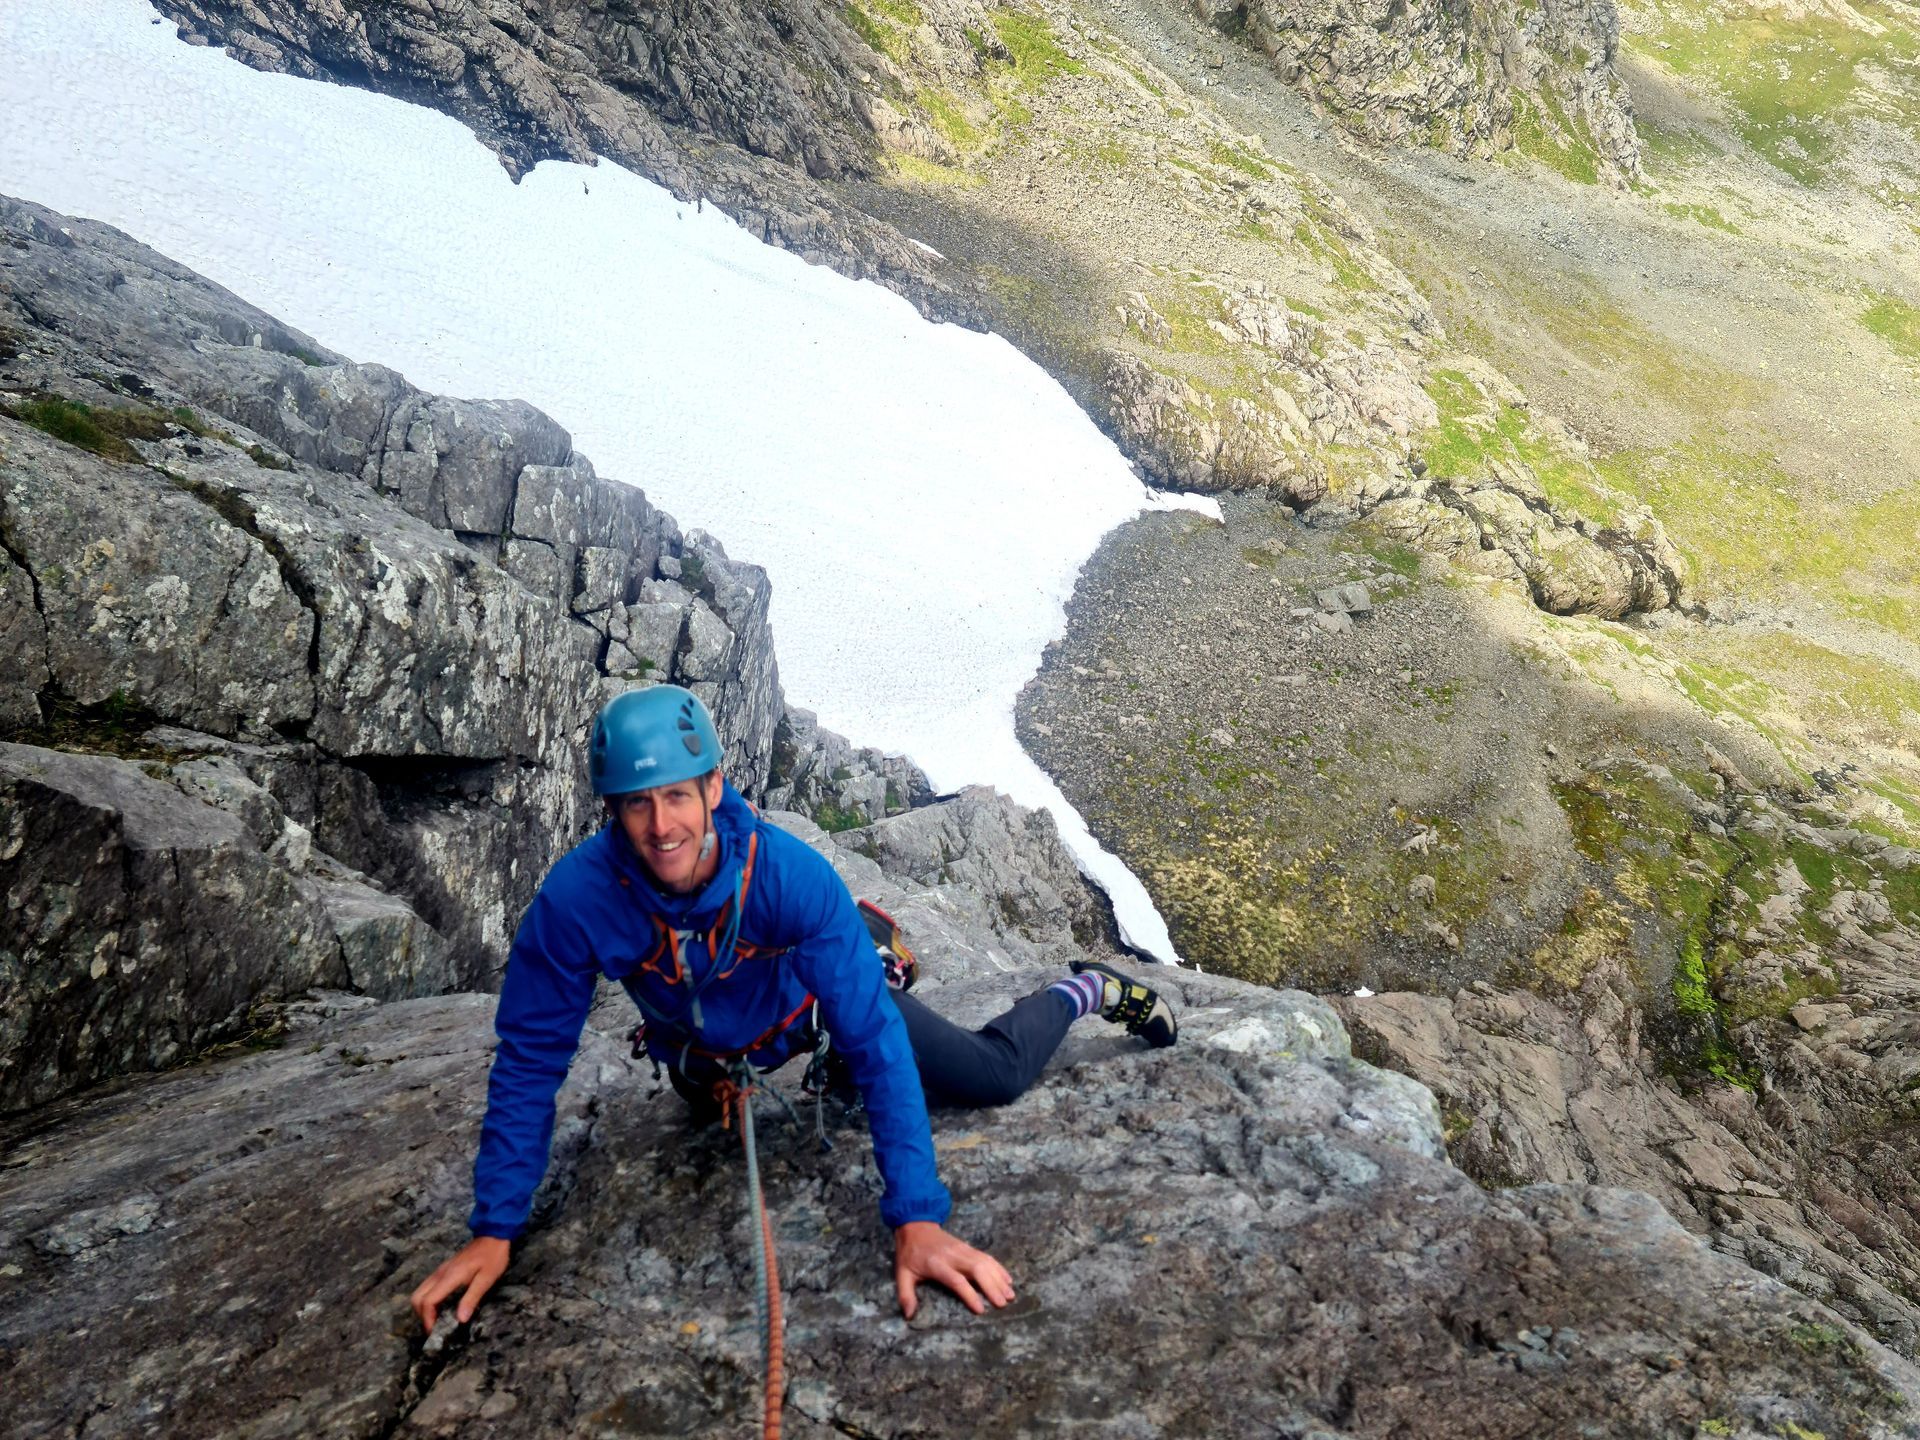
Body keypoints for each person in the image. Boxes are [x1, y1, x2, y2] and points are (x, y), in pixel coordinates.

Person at [410, 685, 1177, 1332]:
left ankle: (1087, 988)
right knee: (703, 1096)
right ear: (613, 810)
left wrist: (917, 1217)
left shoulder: (787, 879)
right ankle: (748, 1063)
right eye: (637, 805)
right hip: (703, 1056)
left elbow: (876, 1041)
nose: (662, 825)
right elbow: (529, 1061)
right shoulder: (577, 902)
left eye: (678, 795)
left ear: (714, 788)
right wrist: (494, 1229)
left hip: (820, 1016)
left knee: (990, 1075)